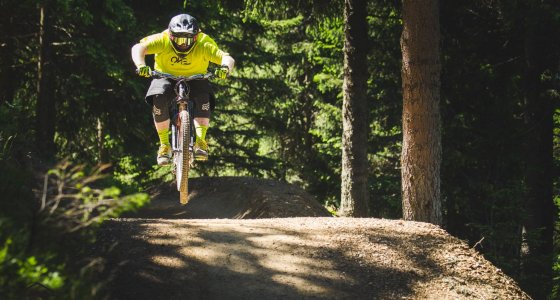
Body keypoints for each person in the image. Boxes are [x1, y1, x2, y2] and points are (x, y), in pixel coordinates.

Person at [131, 13, 234, 165]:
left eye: (188, 39)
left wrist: (225, 69)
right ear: (171, 36)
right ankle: (164, 145)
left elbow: (227, 58)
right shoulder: (163, 39)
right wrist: (141, 65)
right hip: (165, 76)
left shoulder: (204, 43)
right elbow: (139, 48)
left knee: (203, 97)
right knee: (158, 97)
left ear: (196, 36)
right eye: (179, 39)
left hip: (196, 77)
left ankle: (201, 142)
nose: (183, 44)